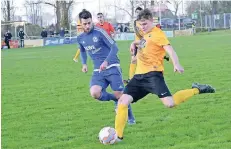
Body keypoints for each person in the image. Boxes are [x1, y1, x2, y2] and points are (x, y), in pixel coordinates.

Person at [114, 9, 215, 141]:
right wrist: (133, 43)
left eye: (144, 24)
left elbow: (170, 49)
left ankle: (197, 89)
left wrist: (176, 64)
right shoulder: (145, 34)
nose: (142, 27)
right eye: (140, 25)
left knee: (170, 103)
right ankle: (118, 137)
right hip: (138, 77)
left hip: (153, 76)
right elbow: (144, 42)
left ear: (151, 21)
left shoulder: (158, 34)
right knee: (123, 101)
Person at [77, 9, 136, 124]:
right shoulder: (80, 38)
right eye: (85, 24)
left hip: (112, 66)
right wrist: (84, 63)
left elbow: (114, 47)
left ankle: (131, 118)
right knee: (94, 92)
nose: (88, 26)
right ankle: (115, 99)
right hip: (98, 70)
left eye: (89, 22)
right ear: (81, 23)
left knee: (120, 94)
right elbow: (83, 51)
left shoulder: (100, 32)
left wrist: (106, 61)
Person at [123, 7, 169, 84]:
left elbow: (149, 35)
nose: (138, 13)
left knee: (152, 60)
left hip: (146, 43)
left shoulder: (148, 24)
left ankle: (159, 77)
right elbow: (137, 34)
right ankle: (131, 79)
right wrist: (135, 43)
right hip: (139, 43)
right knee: (134, 60)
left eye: (139, 12)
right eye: (137, 12)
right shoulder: (135, 22)